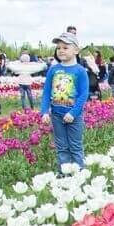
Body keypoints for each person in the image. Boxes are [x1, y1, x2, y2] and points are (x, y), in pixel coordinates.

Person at [41, 33, 89, 171]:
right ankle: (64, 174)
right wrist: (44, 111)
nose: (61, 50)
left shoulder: (80, 71)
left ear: (76, 50)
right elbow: (46, 92)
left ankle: (79, 173)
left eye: (65, 47)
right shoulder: (53, 70)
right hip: (56, 114)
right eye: (58, 48)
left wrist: (73, 113)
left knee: (75, 146)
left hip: (73, 116)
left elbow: (83, 94)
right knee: (61, 147)